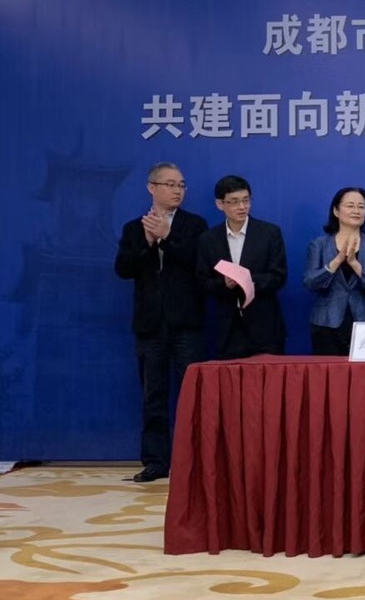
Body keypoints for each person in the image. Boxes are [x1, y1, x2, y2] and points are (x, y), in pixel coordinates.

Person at [113, 163, 208, 483]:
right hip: (150, 325)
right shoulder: (133, 228)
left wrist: (166, 238)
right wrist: (148, 242)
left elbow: (199, 264)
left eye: (181, 185)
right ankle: (155, 462)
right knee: (153, 395)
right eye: (170, 184)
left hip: (187, 324)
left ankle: (194, 461)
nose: (177, 190)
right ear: (151, 188)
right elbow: (123, 269)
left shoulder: (195, 225)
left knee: (192, 394)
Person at [196, 175, 288, 359]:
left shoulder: (269, 233)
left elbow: (279, 276)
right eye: (234, 202)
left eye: (246, 200)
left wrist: (247, 279)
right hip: (227, 329)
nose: (242, 207)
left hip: (264, 327)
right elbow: (202, 281)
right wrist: (224, 283)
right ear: (220, 204)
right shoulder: (209, 239)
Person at [303, 187, 365, 356]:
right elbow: (310, 282)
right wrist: (336, 262)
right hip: (326, 322)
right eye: (350, 206)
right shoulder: (319, 244)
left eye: (361, 206)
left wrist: (354, 264)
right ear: (336, 211)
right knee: (328, 372)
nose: (356, 211)